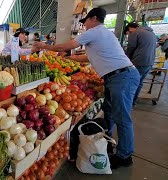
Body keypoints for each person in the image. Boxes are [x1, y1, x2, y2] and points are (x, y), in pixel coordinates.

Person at [34, 7, 140, 169]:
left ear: (94, 18)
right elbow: (86, 57)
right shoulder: (103, 34)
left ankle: (124, 156)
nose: (84, 26)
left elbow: (66, 45)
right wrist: (69, 58)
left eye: (86, 22)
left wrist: (45, 46)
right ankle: (107, 141)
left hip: (121, 78)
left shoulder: (96, 31)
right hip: (117, 77)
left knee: (122, 118)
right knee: (110, 112)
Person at [124, 22, 157, 106]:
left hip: (139, 61)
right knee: (139, 82)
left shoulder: (135, 33)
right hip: (149, 62)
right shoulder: (151, 33)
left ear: (130, 28)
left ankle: (128, 102)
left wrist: (125, 59)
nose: (128, 35)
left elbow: (130, 48)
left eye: (128, 33)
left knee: (132, 82)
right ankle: (132, 102)